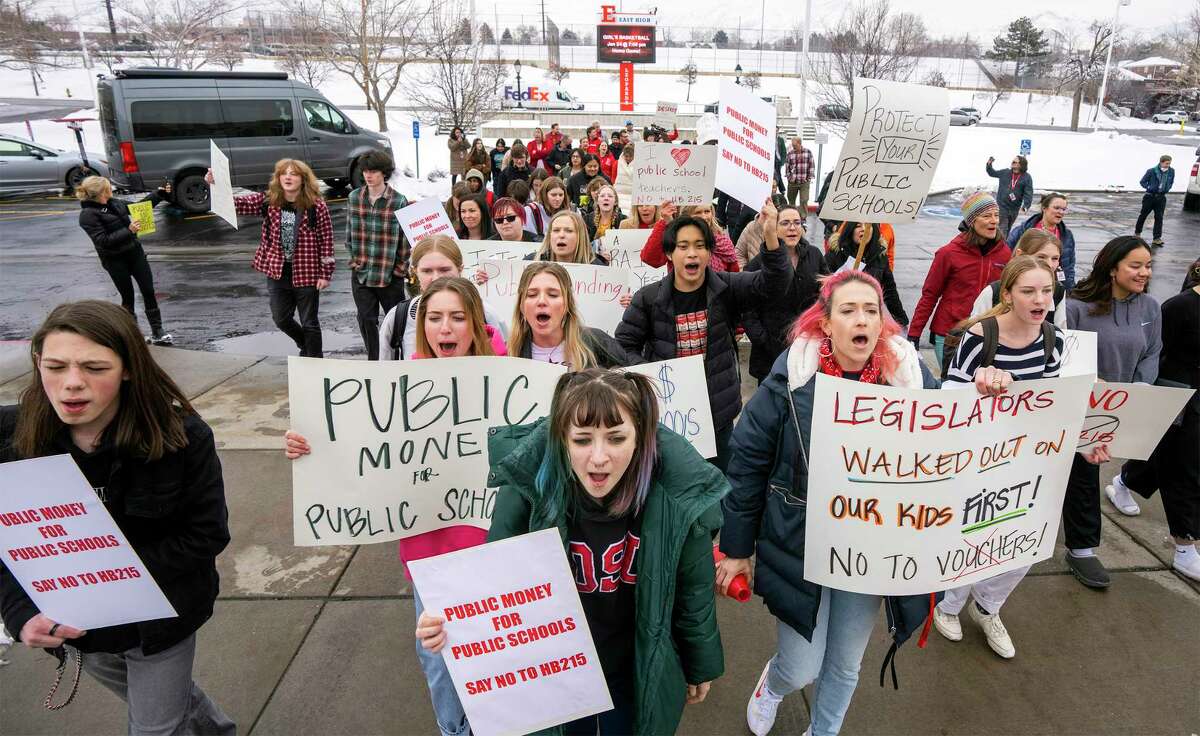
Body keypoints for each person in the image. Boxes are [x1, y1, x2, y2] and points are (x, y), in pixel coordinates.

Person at [419, 369, 726, 734]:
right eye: (582, 440)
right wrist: (451, 626)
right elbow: (493, 589)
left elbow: (693, 591)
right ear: (561, 439)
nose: (598, 457)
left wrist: (699, 663)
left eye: (616, 438)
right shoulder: (526, 493)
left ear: (641, 438)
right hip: (556, 672)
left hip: (636, 665)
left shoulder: (678, 499)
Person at [718, 271, 938, 736]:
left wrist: (986, 391)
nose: (862, 319)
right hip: (802, 545)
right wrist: (737, 549)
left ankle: (823, 731)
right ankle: (775, 686)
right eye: (848, 310)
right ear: (825, 323)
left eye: (871, 310)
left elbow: (958, 440)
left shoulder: (911, 380)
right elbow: (747, 465)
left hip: (869, 549)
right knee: (801, 666)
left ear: (884, 324)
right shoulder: (790, 380)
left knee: (844, 666)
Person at [0, 300, 233, 735]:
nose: (72, 384)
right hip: (79, 632)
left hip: (159, 625)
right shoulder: (9, 440)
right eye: (55, 366)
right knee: (162, 699)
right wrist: (18, 612)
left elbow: (206, 533)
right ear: (37, 362)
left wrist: (106, 579)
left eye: (94, 368)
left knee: (153, 727)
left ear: (127, 368)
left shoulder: (182, 437)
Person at [289, 277, 502, 736]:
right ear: (423, 326)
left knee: (499, 657)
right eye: (435, 317)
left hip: (495, 549)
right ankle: (454, 731)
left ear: (476, 325)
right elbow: (361, 446)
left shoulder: (509, 380)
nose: (446, 327)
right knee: (439, 659)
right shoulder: (400, 388)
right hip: (432, 556)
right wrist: (313, 446)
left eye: (458, 317)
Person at [934, 256, 1092, 659]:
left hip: (1029, 460)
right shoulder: (980, 336)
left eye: (1046, 290)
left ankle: (988, 607)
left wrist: (1088, 437)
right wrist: (978, 388)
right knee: (972, 536)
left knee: (1024, 546)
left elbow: (1053, 402)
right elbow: (945, 401)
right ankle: (949, 606)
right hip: (978, 459)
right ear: (1007, 296)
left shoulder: (1053, 339)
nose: (1040, 299)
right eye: (1028, 291)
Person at [616, 202, 788, 470]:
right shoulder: (648, 299)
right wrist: (650, 378)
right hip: (667, 416)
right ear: (670, 254)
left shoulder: (726, 287)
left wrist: (769, 235)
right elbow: (624, 345)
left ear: (709, 252)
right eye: (683, 246)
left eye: (699, 245)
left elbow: (775, 284)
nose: (691, 253)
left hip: (717, 415)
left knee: (716, 487)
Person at [1063, 236, 1160, 588]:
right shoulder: (1075, 306)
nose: (1144, 272)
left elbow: (1152, 352)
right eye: (1136, 265)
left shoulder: (1150, 308)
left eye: (1147, 265)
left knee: (1088, 474)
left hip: (1120, 405)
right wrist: (1091, 383)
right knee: (1064, 472)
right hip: (1077, 403)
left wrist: (1140, 389)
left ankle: (1082, 549)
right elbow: (1063, 354)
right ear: (1112, 267)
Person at [1106, 260, 1200, 580]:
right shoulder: (1181, 306)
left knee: (1169, 456)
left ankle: (1124, 482)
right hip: (1179, 398)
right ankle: (1186, 546)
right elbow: (1155, 351)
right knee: (1187, 469)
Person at [207, 158, 334, 358]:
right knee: (281, 319)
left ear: (303, 179)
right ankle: (304, 344)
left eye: (294, 174)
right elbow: (235, 204)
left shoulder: (316, 206)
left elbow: (326, 241)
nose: (288, 177)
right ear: (278, 178)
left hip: (307, 272)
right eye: (284, 173)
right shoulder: (269, 201)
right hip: (278, 272)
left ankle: (316, 362)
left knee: (310, 322)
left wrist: (325, 274)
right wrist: (216, 185)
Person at [908, 191, 1011, 367]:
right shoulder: (948, 253)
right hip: (949, 334)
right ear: (971, 221)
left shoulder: (1004, 253)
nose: (994, 220)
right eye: (987, 216)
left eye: (996, 215)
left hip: (987, 333)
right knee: (950, 387)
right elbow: (929, 295)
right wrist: (914, 335)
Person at [75, 176, 174, 345]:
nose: (111, 190)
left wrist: (159, 194)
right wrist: (129, 230)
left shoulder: (115, 203)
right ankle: (132, 335)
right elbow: (103, 241)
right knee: (127, 297)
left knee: (148, 291)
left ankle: (158, 331)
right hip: (114, 260)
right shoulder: (87, 215)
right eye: (108, 188)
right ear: (102, 192)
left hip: (134, 253)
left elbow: (140, 207)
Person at [380, 236, 507, 360]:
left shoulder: (486, 314)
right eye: (427, 271)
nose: (436, 278)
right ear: (415, 271)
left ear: (460, 269)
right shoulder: (397, 318)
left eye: (444, 270)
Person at [743, 205, 827, 384]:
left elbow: (826, 295)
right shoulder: (759, 263)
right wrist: (761, 338)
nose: (792, 228)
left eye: (797, 222)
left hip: (807, 344)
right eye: (785, 223)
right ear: (774, 228)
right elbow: (747, 306)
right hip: (771, 350)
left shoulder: (815, 255)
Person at [345, 150, 410, 360]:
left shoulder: (398, 201)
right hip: (362, 272)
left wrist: (400, 268)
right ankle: (374, 362)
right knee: (365, 319)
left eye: (373, 171)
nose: (368, 175)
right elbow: (349, 234)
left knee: (396, 321)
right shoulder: (354, 198)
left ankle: (395, 358)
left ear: (384, 173)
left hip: (389, 273)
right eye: (365, 171)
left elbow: (404, 240)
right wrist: (355, 260)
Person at [507, 262, 629, 368]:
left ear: (567, 304)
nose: (542, 301)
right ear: (521, 306)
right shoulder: (508, 354)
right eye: (532, 295)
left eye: (553, 295)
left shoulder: (598, 343)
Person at [969, 229, 1066, 328]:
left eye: (1055, 258)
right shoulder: (993, 292)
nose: (1049, 264)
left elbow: (1062, 330)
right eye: (1041, 257)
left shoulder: (1058, 291)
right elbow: (973, 331)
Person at [824, 222, 908, 326]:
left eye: (868, 225)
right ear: (850, 230)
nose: (864, 229)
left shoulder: (880, 256)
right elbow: (823, 290)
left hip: (869, 318)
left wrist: (901, 320)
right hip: (842, 318)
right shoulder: (835, 254)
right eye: (858, 226)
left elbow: (890, 291)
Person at [640, 201, 740, 273]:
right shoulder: (676, 238)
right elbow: (650, 259)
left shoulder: (723, 242)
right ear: (687, 216)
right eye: (698, 212)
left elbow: (734, 275)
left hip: (716, 299)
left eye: (707, 211)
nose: (704, 217)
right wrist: (665, 222)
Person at [1008, 192, 1076, 288]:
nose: (1061, 212)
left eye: (1063, 209)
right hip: (1026, 282)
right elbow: (1007, 256)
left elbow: (1069, 266)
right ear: (1044, 208)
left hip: (1054, 285)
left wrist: (1068, 289)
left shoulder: (1067, 235)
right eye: (1056, 208)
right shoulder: (1022, 230)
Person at [526, 210, 607, 265]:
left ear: (580, 236)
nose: (561, 235)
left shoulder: (597, 267)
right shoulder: (530, 262)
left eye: (569, 231)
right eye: (556, 230)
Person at [986, 154, 1033, 238]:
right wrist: (989, 164)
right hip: (1002, 206)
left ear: (1021, 164)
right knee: (1002, 228)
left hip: (1014, 208)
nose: (1012, 163)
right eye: (1012, 161)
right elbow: (992, 173)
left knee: (1007, 229)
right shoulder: (1005, 172)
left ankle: (1003, 246)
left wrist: (1026, 206)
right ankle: (999, 247)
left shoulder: (1027, 177)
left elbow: (1028, 193)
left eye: (1015, 162)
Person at [1136, 155, 1174, 247]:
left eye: (1169, 163)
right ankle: (1137, 233)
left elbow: (1171, 181)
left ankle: (1156, 238)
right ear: (1161, 162)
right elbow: (1142, 182)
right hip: (1149, 197)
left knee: (1159, 217)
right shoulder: (1151, 171)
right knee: (1143, 215)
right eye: (1166, 163)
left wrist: (1167, 188)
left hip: (1161, 198)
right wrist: (1149, 187)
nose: (1168, 165)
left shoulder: (1171, 171)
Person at [527, 176, 572, 240]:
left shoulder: (572, 211)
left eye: (561, 195)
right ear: (544, 195)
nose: (558, 199)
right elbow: (528, 238)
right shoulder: (531, 210)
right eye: (553, 195)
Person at [784, 137, 815, 209]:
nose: (793, 147)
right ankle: (792, 215)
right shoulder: (790, 153)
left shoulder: (808, 152)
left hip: (804, 181)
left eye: (794, 145)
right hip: (793, 182)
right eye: (792, 145)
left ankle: (803, 217)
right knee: (791, 200)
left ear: (799, 143)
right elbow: (787, 167)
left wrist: (808, 178)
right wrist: (789, 178)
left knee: (804, 200)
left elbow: (812, 165)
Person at [615, 142, 636, 213]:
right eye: (626, 156)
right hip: (619, 192)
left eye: (631, 156)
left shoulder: (639, 165)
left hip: (632, 194)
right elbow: (614, 177)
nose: (628, 158)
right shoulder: (617, 163)